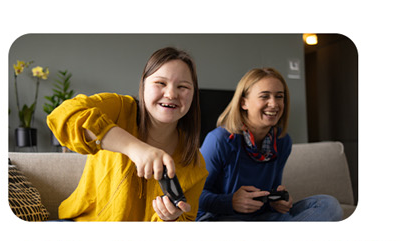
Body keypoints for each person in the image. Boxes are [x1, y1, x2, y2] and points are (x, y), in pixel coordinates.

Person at [47, 47, 207, 221]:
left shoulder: (195, 163)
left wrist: (171, 219)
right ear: (143, 85)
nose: (171, 94)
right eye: (160, 83)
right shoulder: (119, 109)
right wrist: (135, 149)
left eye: (183, 87)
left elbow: (185, 223)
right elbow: (62, 115)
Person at [197, 67, 342, 221]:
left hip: (261, 217)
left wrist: (276, 201)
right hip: (222, 218)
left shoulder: (283, 141)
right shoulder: (219, 140)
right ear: (243, 102)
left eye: (279, 96)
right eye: (264, 96)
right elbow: (195, 197)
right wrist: (230, 202)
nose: (273, 104)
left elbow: (270, 190)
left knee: (328, 204)